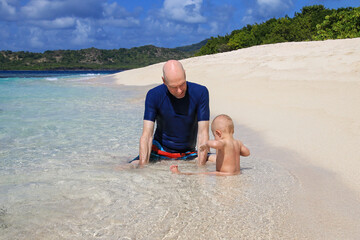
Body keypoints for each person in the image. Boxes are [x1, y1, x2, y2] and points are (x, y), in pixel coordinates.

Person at [131, 60, 210, 166]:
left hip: (188, 153)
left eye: (182, 84)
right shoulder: (153, 95)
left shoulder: (201, 92)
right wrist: (143, 168)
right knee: (129, 166)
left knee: (224, 160)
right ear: (164, 81)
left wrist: (201, 169)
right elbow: (147, 135)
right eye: (173, 87)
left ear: (185, 74)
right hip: (158, 151)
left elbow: (203, 133)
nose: (179, 91)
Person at [170, 114, 250, 175]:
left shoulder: (223, 142)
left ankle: (179, 173)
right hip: (236, 174)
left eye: (214, 136)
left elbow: (215, 144)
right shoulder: (238, 143)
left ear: (218, 133)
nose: (215, 138)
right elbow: (247, 153)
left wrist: (206, 144)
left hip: (224, 174)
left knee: (199, 174)